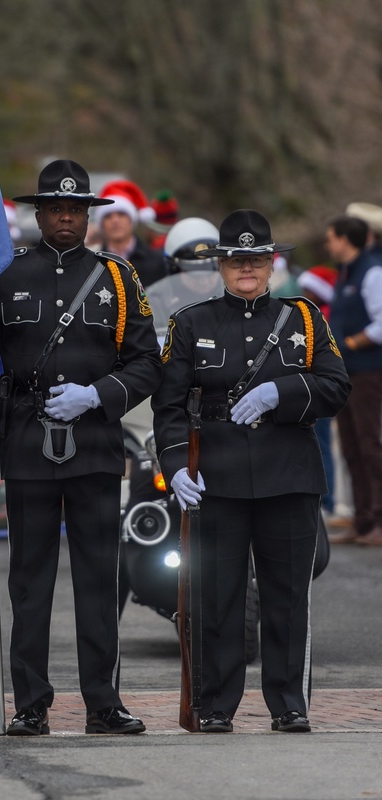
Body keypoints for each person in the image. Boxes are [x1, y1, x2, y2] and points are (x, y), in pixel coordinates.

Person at [152, 209, 350, 733]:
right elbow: (169, 405)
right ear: (221, 266)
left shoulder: (304, 318)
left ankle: (289, 703)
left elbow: (335, 386)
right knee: (218, 597)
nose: (247, 268)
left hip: (289, 474)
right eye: (237, 260)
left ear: (270, 265)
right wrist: (174, 465)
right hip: (217, 477)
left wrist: (280, 392)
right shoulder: (191, 323)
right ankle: (216, 704)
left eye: (257, 259)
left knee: (287, 596)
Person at [0, 159, 161, 736]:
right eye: (56, 208)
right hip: (28, 443)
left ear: (90, 216)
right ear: (38, 213)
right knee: (30, 582)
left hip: (94, 441)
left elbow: (145, 363)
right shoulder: (4, 275)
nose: (66, 217)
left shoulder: (117, 277)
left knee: (98, 579)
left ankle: (103, 703)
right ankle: (30, 704)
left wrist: (97, 395)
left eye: (76, 209)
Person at [322, 215, 382, 546]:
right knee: (351, 446)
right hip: (347, 374)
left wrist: (351, 344)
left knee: (370, 444)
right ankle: (362, 519)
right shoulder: (346, 273)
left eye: (331, 237)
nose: (328, 244)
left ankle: (378, 518)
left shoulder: (371, 271)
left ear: (346, 239)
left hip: (368, 372)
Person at [297, 265, 340, 519]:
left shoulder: (320, 318)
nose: (304, 292)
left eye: (309, 289)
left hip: (318, 386)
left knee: (320, 443)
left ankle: (327, 500)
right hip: (310, 386)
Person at [94, 179, 168, 287]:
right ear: (102, 224)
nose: (115, 220)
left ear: (131, 219)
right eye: (108, 216)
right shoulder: (94, 265)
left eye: (121, 214)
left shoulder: (157, 262)